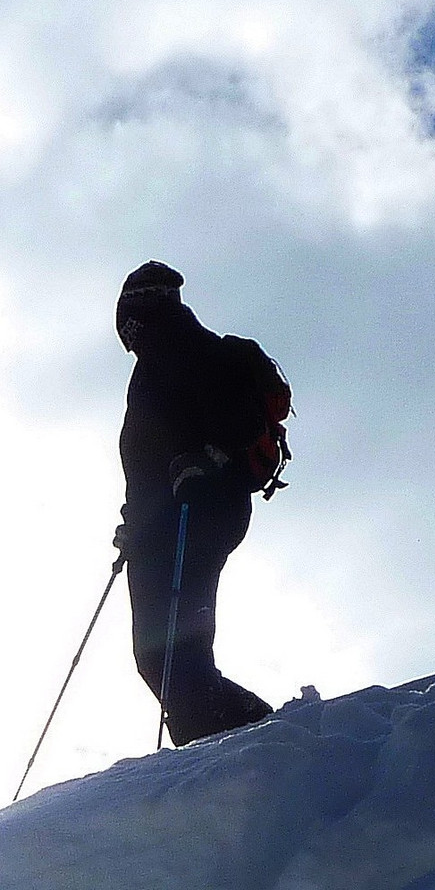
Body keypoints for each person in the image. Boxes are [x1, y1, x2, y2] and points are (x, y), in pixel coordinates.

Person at [113, 260, 275, 745]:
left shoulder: (188, 350)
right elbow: (145, 464)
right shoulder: (159, 365)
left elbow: (238, 423)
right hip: (169, 523)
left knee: (174, 658)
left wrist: (204, 461)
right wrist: (134, 522)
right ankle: (240, 739)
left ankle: (237, 745)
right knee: (162, 659)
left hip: (199, 512)